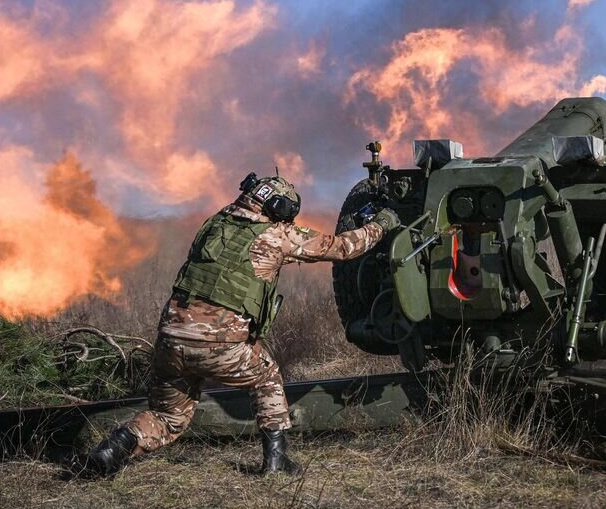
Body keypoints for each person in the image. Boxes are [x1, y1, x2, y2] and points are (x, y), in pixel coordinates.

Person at [85, 172, 399, 477]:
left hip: (170, 339)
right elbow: (343, 247)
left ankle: (113, 449)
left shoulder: (216, 223)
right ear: (280, 209)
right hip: (221, 345)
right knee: (267, 376)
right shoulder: (277, 236)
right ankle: (276, 462)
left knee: (168, 417)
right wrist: (382, 224)